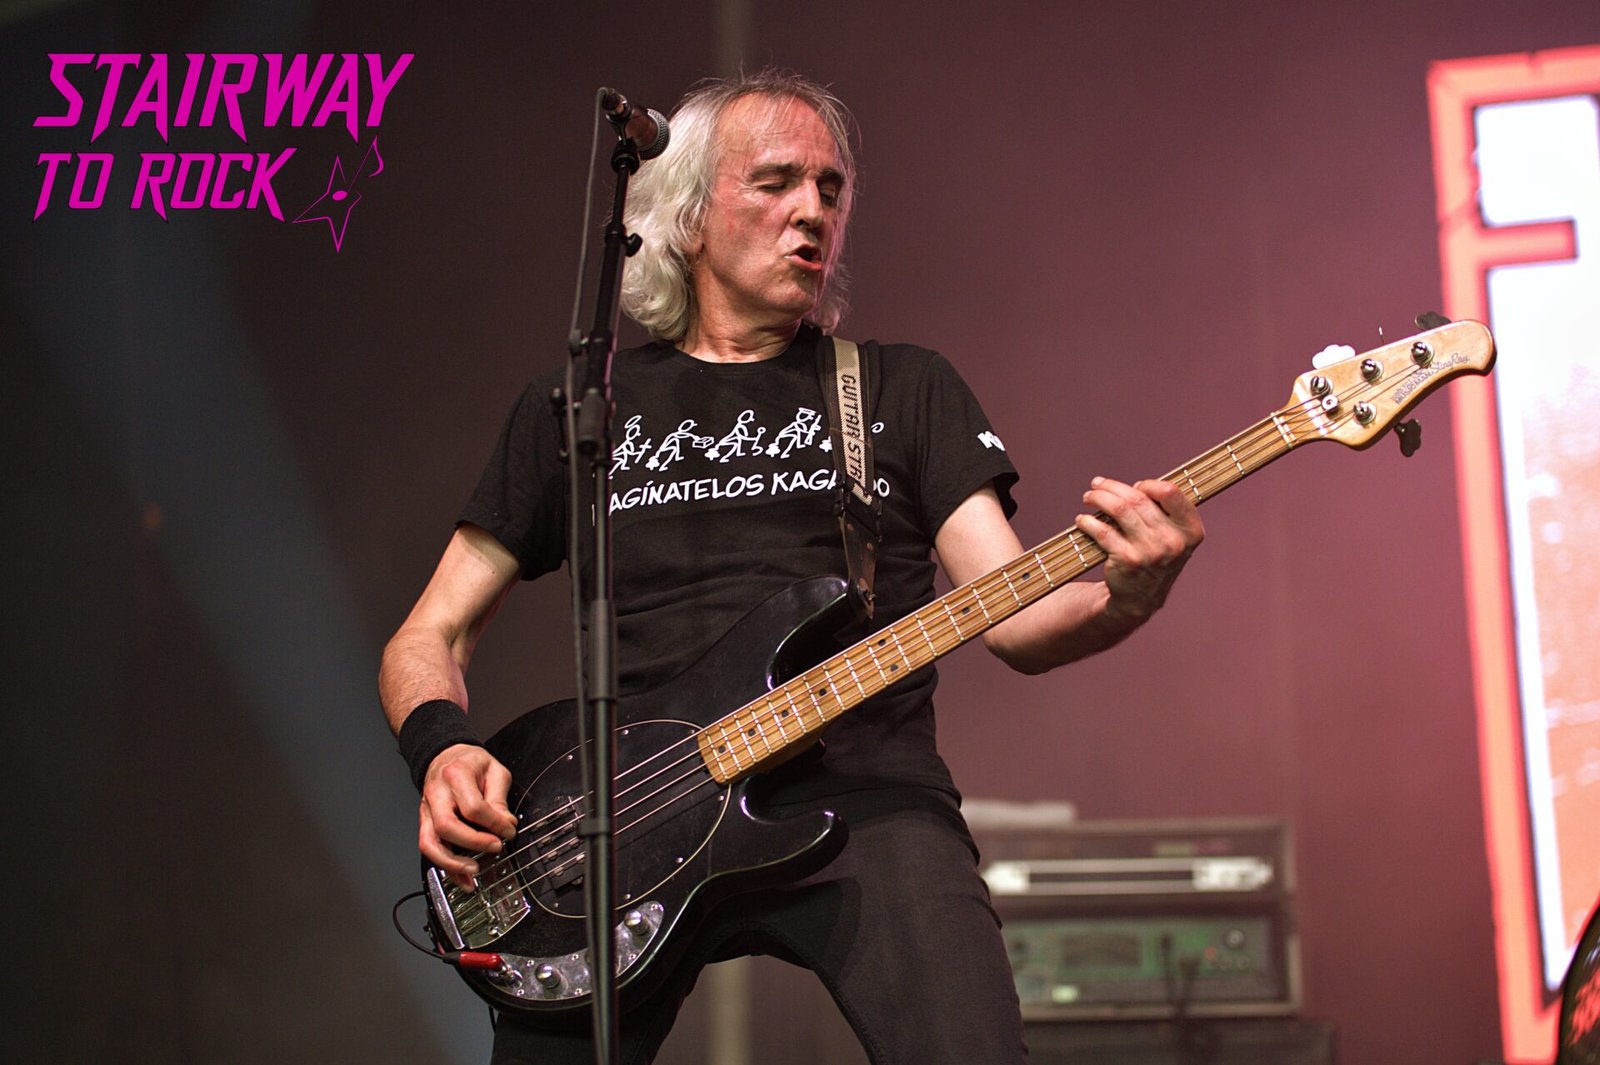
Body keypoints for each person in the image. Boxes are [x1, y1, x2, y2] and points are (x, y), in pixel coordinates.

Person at [380, 70, 1204, 1065]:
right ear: (688, 217)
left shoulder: (900, 387)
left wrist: (1131, 593)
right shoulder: (582, 408)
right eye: (775, 182)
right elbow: (429, 634)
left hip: (868, 796)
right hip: (622, 821)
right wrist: (442, 751)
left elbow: (1019, 619)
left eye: (830, 187)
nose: (812, 210)